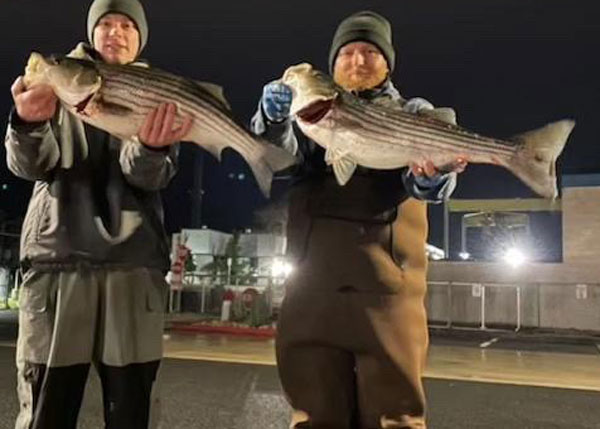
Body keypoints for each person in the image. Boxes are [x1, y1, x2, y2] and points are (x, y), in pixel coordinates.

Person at [251, 11, 466, 428]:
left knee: (395, 417)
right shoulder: (310, 123)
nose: (358, 60)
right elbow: (280, 160)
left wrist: (432, 178)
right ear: (332, 66)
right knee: (315, 415)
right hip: (311, 293)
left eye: (370, 51)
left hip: (388, 296)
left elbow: (426, 185)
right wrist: (272, 122)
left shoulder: (412, 111)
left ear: (388, 63)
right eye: (347, 52)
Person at [5, 0, 192, 427]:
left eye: (127, 25)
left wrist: (150, 147)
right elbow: (30, 166)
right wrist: (27, 123)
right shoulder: (57, 79)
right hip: (57, 261)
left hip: (133, 263)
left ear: (139, 37)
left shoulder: (157, 92)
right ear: (92, 32)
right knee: (47, 409)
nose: (115, 31)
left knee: (131, 410)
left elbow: (149, 178)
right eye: (106, 23)